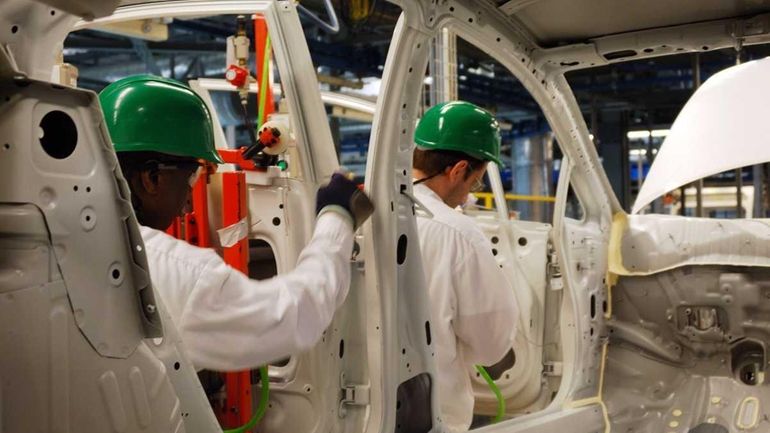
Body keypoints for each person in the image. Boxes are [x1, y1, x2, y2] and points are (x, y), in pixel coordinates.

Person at [99, 75, 373, 372]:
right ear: (152, 178)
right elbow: (293, 315)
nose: (188, 203)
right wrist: (336, 218)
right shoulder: (176, 273)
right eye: (191, 178)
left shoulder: (62, 245)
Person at [412, 101, 519, 432]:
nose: (471, 192)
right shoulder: (458, 234)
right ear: (458, 170)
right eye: (476, 181)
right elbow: (490, 343)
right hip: (432, 412)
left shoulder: (365, 213)